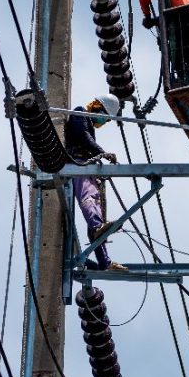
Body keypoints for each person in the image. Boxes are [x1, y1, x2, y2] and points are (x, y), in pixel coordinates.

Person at [66, 94, 127, 272]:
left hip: (87, 167)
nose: (104, 122)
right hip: (78, 164)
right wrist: (102, 152)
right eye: (105, 117)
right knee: (89, 199)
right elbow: (83, 136)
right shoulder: (80, 113)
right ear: (97, 107)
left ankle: (104, 261)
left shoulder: (89, 125)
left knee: (97, 211)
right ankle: (97, 226)